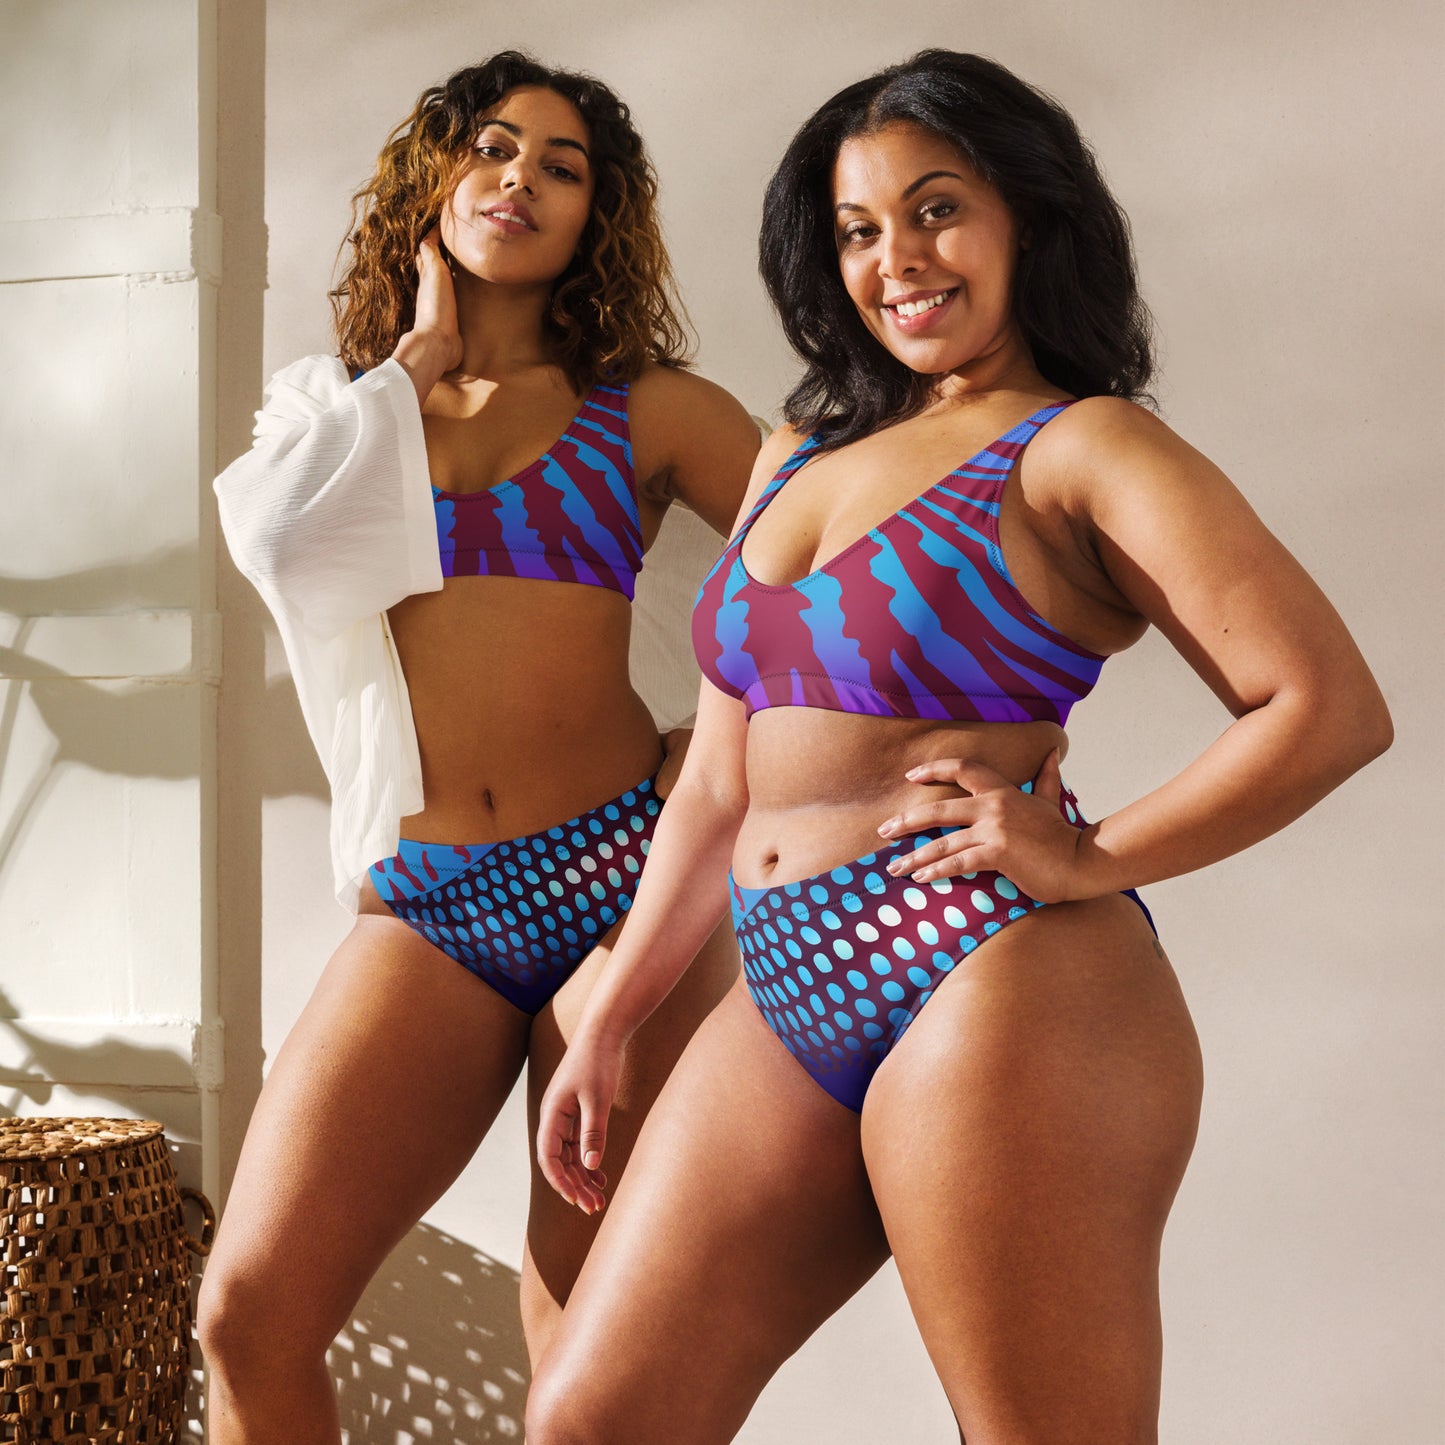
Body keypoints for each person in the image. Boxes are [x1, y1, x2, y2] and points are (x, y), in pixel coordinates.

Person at [526, 49, 1392, 1444]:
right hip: (786, 982)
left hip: (990, 977)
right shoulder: (797, 453)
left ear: (1027, 220)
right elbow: (715, 782)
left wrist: (1086, 853)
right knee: (589, 1419)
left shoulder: (1081, 448)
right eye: (858, 230)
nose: (896, 260)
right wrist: (616, 1011)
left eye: (935, 210)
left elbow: (1323, 704)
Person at [200, 51, 758, 1442]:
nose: (519, 180)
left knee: (580, 1367)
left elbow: (841, 577)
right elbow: (266, 543)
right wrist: (416, 364)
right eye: (494, 149)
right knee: (247, 1313)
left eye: (561, 168)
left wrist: (730, 742)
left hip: (623, 886)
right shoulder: (333, 414)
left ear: (594, 220)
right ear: (437, 181)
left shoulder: (651, 408)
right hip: (434, 901)